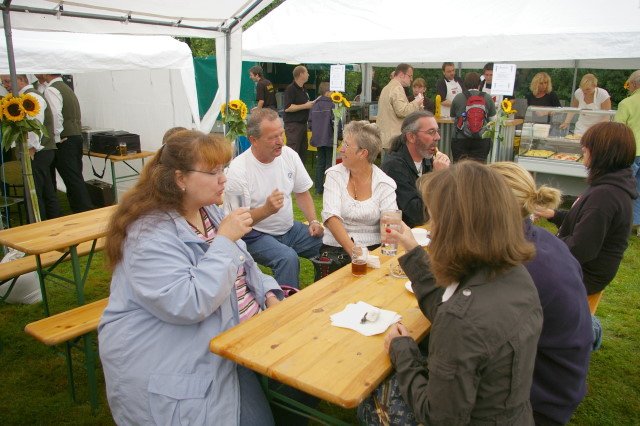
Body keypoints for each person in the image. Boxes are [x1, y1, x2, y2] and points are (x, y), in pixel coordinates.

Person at [99, 130, 283, 425]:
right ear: (180, 179)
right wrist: (225, 240)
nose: (223, 179)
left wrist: (269, 295)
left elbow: (244, 266)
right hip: (182, 358)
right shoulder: (148, 234)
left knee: (305, 376)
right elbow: (188, 303)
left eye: (223, 169)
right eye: (213, 172)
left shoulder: (207, 211)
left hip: (240, 332)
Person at [359, 161, 542, 425]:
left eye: (437, 221)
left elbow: (439, 417)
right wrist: (413, 251)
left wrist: (403, 352)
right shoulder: (515, 275)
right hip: (515, 416)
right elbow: (453, 307)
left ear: (454, 230)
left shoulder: (461, 320)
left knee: (374, 397)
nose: (432, 231)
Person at [489, 161, 593, 426]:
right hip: (562, 379)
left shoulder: (518, 268)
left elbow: (474, 337)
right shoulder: (540, 240)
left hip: (538, 402)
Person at [536, 122, 638, 295]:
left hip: (583, 276)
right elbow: (586, 222)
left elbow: (580, 249)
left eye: (587, 147)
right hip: (583, 269)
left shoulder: (606, 196)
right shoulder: (610, 184)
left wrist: (540, 243)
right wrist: (553, 214)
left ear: (603, 153)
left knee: (515, 272)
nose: (583, 149)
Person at [225, 108, 323, 288]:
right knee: (287, 258)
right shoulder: (238, 170)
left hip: (288, 229)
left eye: (281, 134)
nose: (280, 141)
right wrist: (266, 210)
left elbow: (302, 192)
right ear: (253, 140)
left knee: (327, 241)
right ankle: (284, 303)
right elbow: (237, 222)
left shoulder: (289, 155)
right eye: (272, 137)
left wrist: (313, 221)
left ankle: (327, 293)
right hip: (254, 235)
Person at [321, 120, 396, 257]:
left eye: (346, 145)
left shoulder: (384, 183)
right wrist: (355, 252)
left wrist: (381, 257)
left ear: (363, 153)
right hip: (335, 250)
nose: (341, 149)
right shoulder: (334, 175)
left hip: (373, 249)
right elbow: (331, 218)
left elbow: (390, 225)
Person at [1, 74, 61, 220]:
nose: (6, 85)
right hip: (40, 150)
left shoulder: (32, 97)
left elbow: (35, 126)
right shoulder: (24, 97)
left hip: (38, 151)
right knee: (46, 191)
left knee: (35, 193)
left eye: (8, 81)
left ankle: (38, 223)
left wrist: (31, 149)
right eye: (3, 83)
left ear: (22, 80)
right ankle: (51, 222)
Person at [381, 111, 450, 228]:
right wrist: (438, 178)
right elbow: (417, 214)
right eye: (431, 132)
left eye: (437, 131)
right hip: (403, 232)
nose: (438, 137)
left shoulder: (429, 161)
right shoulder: (394, 167)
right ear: (411, 137)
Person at [42, 74, 94, 212]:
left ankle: (84, 210)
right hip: (75, 136)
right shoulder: (67, 87)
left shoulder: (51, 89)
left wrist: (56, 137)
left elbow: (56, 115)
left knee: (73, 179)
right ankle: (81, 209)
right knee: (75, 177)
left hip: (65, 139)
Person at [376, 63, 423, 155]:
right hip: (394, 138)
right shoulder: (397, 88)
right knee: (394, 163)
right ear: (401, 75)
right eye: (410, 76)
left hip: (386, 137)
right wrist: (416, 102)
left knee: (387, 162)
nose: (411, 79)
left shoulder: (387, 87)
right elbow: (402, 111)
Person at [614, 70, 640, 236]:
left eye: (628, 84)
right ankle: (636, 223)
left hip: (632, 151)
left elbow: (618, 130)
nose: (628, 87)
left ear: (635, 84)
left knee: (624, 189)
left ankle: (623, 223)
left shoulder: (626, 103)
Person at [450, 72, 497, 163]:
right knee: (478, 168)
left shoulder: (458, 97)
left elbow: (452, 119)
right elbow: (493, 120)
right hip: (482, 139)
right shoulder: (487, 97)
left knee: (459, 168)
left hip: (460, 139)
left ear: (465, 84)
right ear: (479, 84)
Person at [308, 82, 341, 195]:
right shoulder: (332, 105)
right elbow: (336, 122)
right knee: (329, 164)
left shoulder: (314, 105)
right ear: (327, 92)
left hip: (318, 138)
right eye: (332, 91)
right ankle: (329, 188)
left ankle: (318, 189)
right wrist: (339, 136)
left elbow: (310, 123)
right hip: (329, 138)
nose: (333, 93)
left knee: (320, 163)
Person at [283, 65, 314, 163]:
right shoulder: (290, 89)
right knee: (293, 150)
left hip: (303, 124)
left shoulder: (303, 89)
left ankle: (299, 171)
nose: (308, 75)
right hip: (293, 126)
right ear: (301, 74)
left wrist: (311, 104)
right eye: (307, 72)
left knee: (303, 151)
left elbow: (304, 104)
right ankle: (289, 170)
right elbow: (287, 108)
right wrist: (305, 106)